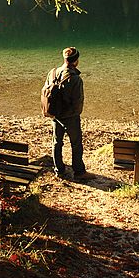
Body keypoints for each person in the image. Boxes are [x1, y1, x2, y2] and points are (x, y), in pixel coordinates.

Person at [44, 47, 89, 180]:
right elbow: (78, 102)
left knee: (57, 142)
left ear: (65, 59)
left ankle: (59, 170)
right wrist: (75, 114)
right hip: (70, 117)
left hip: (55, 114)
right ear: (76, 61)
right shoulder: (75, 79)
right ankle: (79, 172)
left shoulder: (52, 73)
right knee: (76, 143)